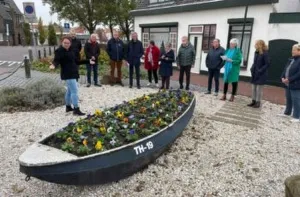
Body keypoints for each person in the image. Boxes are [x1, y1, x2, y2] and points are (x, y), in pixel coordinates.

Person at [50, 37, 95, 116]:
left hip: (74, 72)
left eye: (68, 43)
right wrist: (53, 65)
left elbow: (77, 61)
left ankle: (68, 107)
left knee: (69, 91)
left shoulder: (73, 51)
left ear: (70, 43)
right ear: (62, 43)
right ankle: (76, 109)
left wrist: (88, 61)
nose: (66, 44)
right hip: (67, 74)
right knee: (75, 91)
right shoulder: (59, 51)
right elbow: (56, 60)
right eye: (65, 43)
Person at [278, 44, 300, 123]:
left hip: (296, 83)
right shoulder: (291, 59)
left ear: (299, 51)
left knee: (296, 100)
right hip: (288, 83)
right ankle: (287, 113)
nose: (292, 51)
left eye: (294, 50)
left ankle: (297, 116)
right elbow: (285, 69)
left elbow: (299, 73)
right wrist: (282, 77)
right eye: (292, 49)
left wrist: (289, 79)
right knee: (288, 98)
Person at [247, 40, 270, 108]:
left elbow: (267, 64)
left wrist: (260, 70)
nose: (255, 45)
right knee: (253, 88)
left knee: (259, 89)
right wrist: (252, 68)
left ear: (259, 45)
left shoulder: (265, 53)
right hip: (254, 73)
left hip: (261, 74)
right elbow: (255, 62)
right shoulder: (256, 52)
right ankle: (253, 101)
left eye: (256, 44)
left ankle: (258, 102)